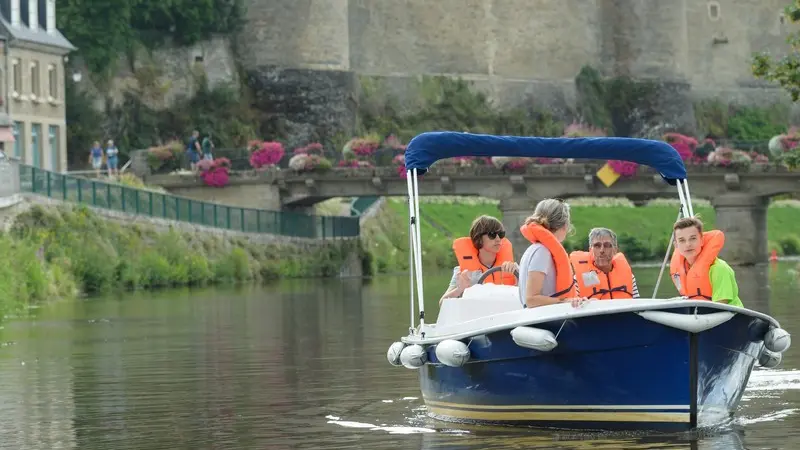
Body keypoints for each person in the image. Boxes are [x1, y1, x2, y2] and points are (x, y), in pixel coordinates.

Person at [518, 198, 587, 309]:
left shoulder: (535, 249)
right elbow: (531, 299)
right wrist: (565, 301)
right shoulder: (542, 252)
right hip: (543, 321)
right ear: (565, 225)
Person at [440, 215, 518, 304]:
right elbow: (442, 303)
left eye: (501, 235)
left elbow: (529, 297)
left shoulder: (513, 269)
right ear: (479, 239)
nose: (498, 239)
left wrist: (517, 281)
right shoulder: (462, 273)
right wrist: (460, 289)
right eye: (492, 235)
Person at [670, 216, 743, 307]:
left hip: (732, 318)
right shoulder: (679, 271)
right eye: (682, 240)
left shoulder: (719, 269)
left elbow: (721, 307)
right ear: (676, 245)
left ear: (701, 240)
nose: (688, 244)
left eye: (693, 238)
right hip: (698, 315)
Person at [569, 227, 640, 299]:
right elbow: (573, 306)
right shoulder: (578, 280)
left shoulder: (629, 277)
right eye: (597, 246)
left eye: (607, 245)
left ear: (615, 250)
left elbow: (637, 306)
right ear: (590, 250)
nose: (602, 250)